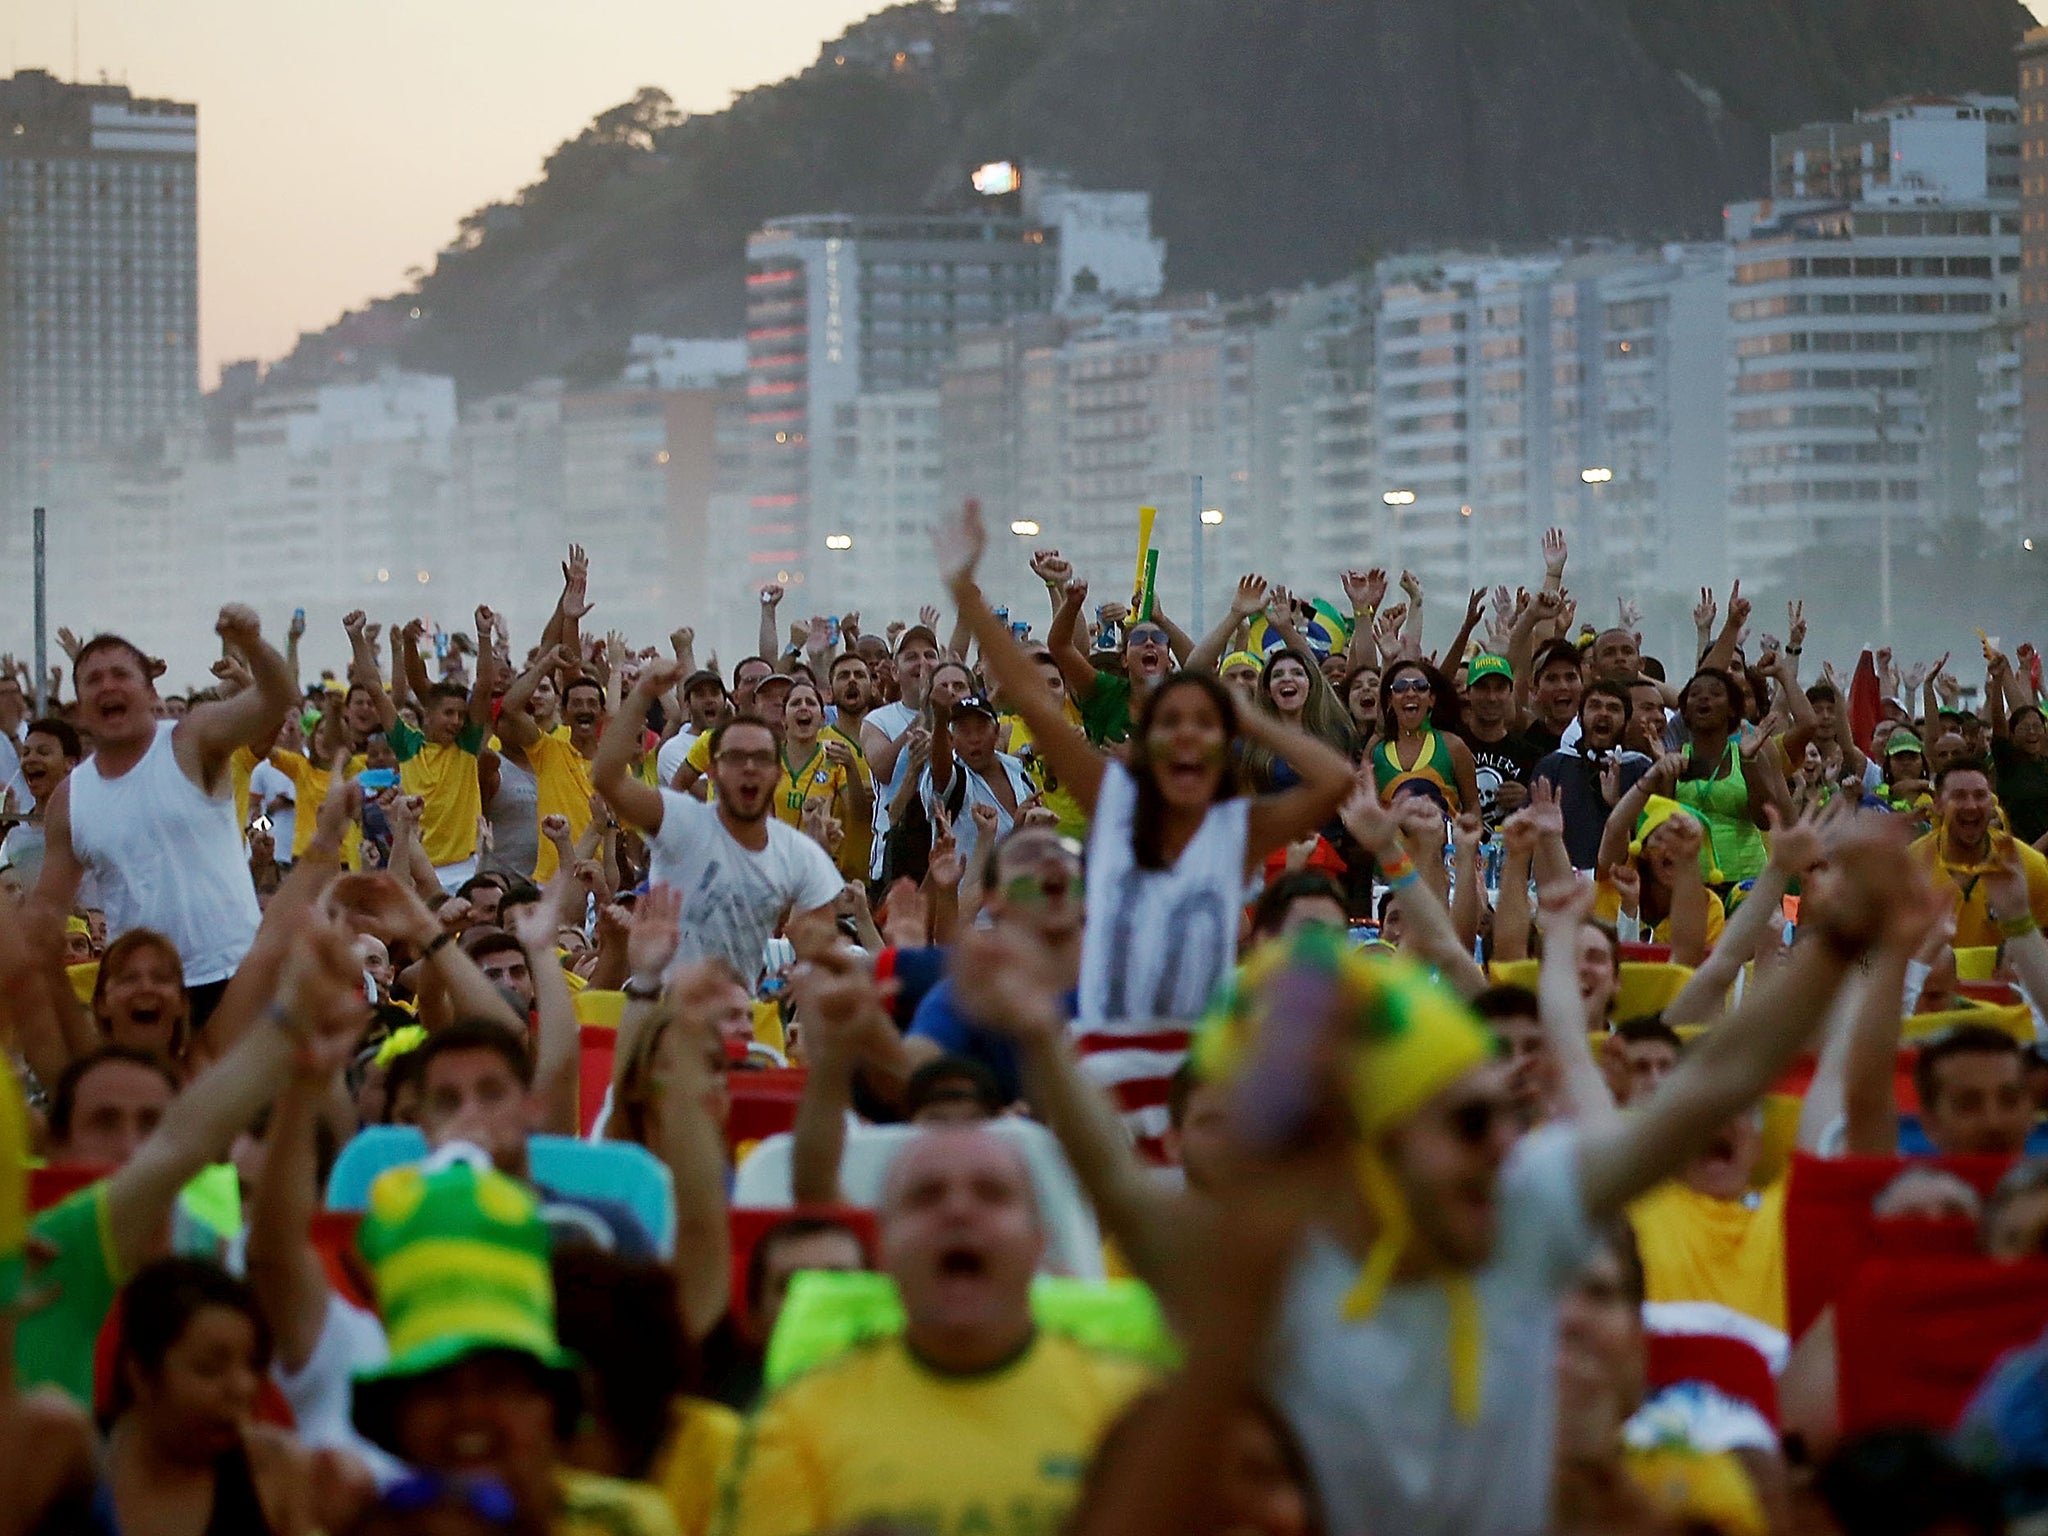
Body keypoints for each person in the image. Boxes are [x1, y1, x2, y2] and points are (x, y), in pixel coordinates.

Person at [1182, 806, 1919, 1536]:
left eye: (1503, 1114)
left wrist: (1845, 939)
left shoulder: (1521, 1213)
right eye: (1469, 1122)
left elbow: (1712, 1083)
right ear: (1375, 1143)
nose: (1507, 1137)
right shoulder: (1264, 1287)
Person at [934, 499, 1357, 1156]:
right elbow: (1028, 692)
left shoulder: (1235, 829)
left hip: (1204, 1079)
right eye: (1171, 726)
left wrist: (1245, 717)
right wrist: (963, 588)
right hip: (1101, 1073)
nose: (1187, 738)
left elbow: (1335, 780)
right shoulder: (1113, 798)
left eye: (1203, 726)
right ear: (1144, 744)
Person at [716, 1128, 1155, 1536]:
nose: (958, 1210)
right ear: (884, 1247)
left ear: (1038, 1242)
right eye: (926, 1197)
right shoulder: (794, 1423)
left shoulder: (1135, 1413)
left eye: (992, 1194)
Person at [350, 1159, 681, 1536]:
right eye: (435, 1387)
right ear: (395, 1418)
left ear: (552, 1407)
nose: (468, 1411)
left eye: (498, 1382)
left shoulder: (625, 1527)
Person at [35, 611, 296, 1034]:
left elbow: (279, 697)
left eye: (120, 674)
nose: (107, 686)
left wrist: (251, 643)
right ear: (80, 707)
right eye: (93, 680)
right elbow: (45, 917)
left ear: (148, 688)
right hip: (142, 994)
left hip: (234, 972)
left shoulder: (192, 740)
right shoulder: (70, 799)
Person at [594, 670, 844, 983]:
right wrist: (643, 693)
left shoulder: (801, 854)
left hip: (738, 1013)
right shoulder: (680, 820)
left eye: (761, 758)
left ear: (778, 774)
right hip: (666, 1002)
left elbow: (821, 953)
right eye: (736, 757)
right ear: (712, 770)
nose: (750, 767)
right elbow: (607, 778)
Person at [98, 1257, 316, 1536]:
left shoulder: (274, 1468)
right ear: (140, 1376)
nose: (243, 1388)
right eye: (209, 1369)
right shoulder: (80, 1467)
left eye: (252, 1365)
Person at [1913, 760, 2048, 947]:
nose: (1971, 806)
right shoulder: (1909, 867)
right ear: (1937, 805)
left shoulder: (2028, 865)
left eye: (1980, 795)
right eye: (1959, 796)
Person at [1669, 668, 1774, 886]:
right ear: (1685, 712)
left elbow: (1766, 820)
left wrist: (1748, 761)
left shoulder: (1749, 754)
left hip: (1746, 882)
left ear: (1732, 710)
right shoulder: (1675, 757)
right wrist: (1660, 770)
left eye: (1716, 694)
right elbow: (1658, 821)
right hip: (1687, 883)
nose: (1704, 698)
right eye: (1695, 694)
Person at [1531, 679, 1649, 870]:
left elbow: (1651, 837)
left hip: (1622, 885)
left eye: (1613, 708)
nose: (1603, 713)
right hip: (1564, 883)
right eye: (1595, 706)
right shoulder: (1553, 766)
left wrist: (1617, 804)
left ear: (1627, 723)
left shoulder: (1641, 769)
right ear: (1579, 718)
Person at [922, 690, 1031, 873]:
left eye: (981, 728)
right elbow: (941, 770)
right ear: (951, 739)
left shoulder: (1018, 771)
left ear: (996, 732)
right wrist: (940, 721)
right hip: (964, 897)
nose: (974, 739)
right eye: (964, 730)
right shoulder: (954, 777)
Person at [1369, 659, 1479, 815]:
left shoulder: (1453, 746)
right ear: (1390, 700)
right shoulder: (1376, 750)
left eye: (1420, 687)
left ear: (1432, 700)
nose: (1411, 693)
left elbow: (1473, 807)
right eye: (1400, 687)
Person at [1456, 654, 1540, 830]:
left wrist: (1528, 799)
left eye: (1500, 688)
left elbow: (1547, 815)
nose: (1492, 697)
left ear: (1510, 693)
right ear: (1468, 692)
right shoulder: (1451, 745)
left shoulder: (1531, 755)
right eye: (1483, 688)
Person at [0, 715, 82, 888]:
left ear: (70, 764)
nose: (30, 759)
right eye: (26, 753)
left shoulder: (85, 830)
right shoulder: (14, 834)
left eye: (43, 752)